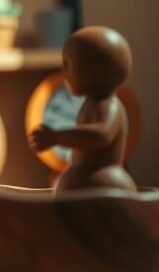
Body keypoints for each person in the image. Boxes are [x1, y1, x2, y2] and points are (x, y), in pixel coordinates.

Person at [29, 26, 137, 193]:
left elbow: (101, 135)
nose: (64, 74)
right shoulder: (92, 103)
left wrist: (57, 137)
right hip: (85, 180)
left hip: (104, 182)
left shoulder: (108, 105)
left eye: (68, 65)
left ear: (93, 70)